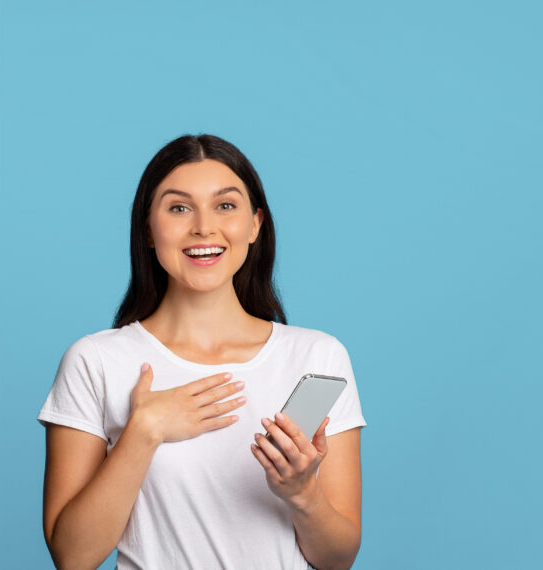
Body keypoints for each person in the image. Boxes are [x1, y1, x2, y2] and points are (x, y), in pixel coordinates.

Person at [38, 135, 365, 569]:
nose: (204, 228)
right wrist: (144, 431)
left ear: (255, 225)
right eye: (178, 208)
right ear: (148, 232)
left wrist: (302, 494)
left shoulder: (318, 356)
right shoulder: (95, 361)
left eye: (225, 206)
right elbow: (72, 557)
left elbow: (338, 559)